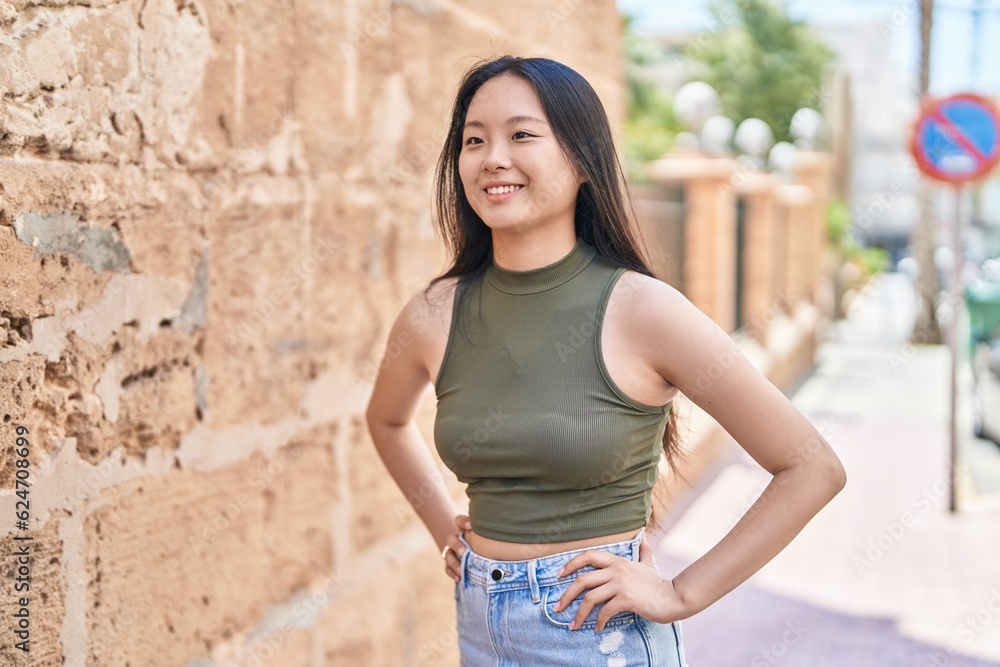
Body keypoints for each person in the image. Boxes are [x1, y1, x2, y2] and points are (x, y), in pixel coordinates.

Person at [365, 54, 847, 666]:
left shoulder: (643, 311)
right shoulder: (435, 312)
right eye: (473, 140)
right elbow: (385, 421)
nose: (493, 158)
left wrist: (681, 593)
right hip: (478, 626)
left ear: (582, 160)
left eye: (522, 135)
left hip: (596, 633)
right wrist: (442, 527)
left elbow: (811, 467)